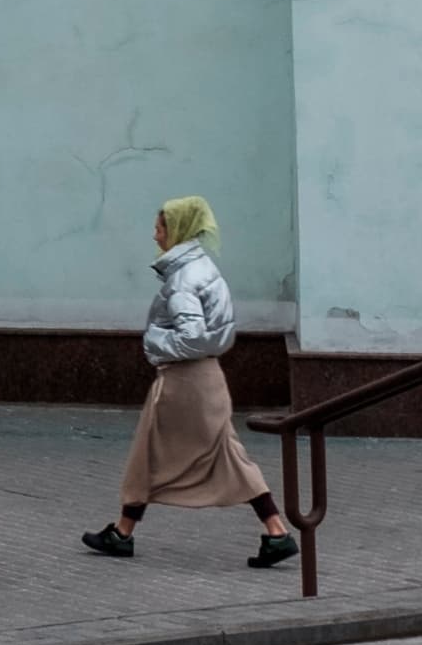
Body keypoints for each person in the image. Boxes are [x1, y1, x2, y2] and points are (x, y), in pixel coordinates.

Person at [83, 196, 298, 568]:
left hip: (184, 382)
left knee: (148, 456)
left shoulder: (183, 280)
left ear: (178, 229)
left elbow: (193, 336)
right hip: (207, 379)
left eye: (160, 227)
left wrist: (153, 341)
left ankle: (122, 533)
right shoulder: (203, 268)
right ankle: (276, 531)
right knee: (226, 454)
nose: (155, 234)